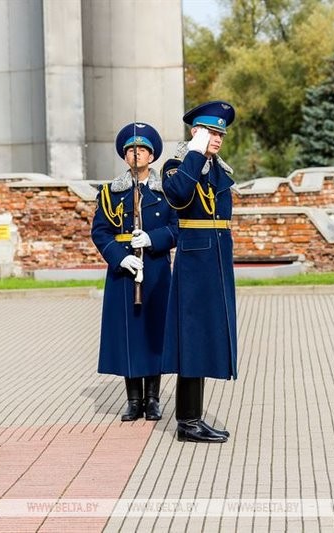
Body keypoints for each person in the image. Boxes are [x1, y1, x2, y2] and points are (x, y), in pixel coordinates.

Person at [160, 101, 238, 442]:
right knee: (191, 340)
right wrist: (194, 153)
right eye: (211, 132)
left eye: (221, 132)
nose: (217, 139)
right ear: (195, 132)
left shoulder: (219, 169)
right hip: (194, 262)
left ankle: (193, 417)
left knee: (206, 339)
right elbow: (178, 197)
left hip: (218, 260)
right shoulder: (176, 166)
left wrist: (206, 159)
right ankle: (186, 422)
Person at [91, 122, 178, 421]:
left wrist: (154, 239)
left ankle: (153, 399)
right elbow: (100, 232)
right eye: (131, 150)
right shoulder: (110, 193)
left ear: (152, 156)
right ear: (124, 156)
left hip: (155, 271)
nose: (137, 155)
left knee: (154, 333)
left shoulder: (166, 192)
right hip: (124, 272)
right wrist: (119, 257)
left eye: (142, 150)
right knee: (129, 335)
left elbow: (177, 228)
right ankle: (133, 400)